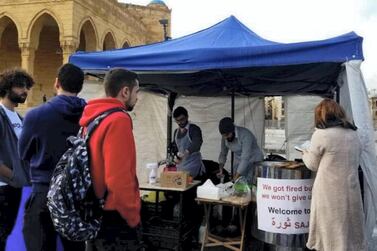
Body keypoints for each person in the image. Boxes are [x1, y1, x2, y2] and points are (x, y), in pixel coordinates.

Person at [18, 63, 86, 251]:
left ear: (57, 83)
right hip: (76, 195)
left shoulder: (36, 115)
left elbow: (23, 153)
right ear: (80, 87)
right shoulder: (89, 116)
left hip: (44, 192)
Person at [80, 68, 141, 250]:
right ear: (125, 91)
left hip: (94, 211)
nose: (137, 98)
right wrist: (133, 217)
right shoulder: (119, 120)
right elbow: (118, 178)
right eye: (137, 92)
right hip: (115, 216)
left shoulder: (93, 118)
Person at [302, 98, 365, 251]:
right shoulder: (354, 133)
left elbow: (312, 164)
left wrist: (305, 152)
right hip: (351, 189)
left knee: (329, 231)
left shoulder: (322, 134)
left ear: (321, 115)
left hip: (329, 191)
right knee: (349, 230)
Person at [0, 68, 34, 251]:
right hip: (4, 187)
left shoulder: (19, 118)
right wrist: (13, 176)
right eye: (20, 86)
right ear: (7, 87)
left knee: (5, 234)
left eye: (27, 86)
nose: (25, 91)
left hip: (14, 188)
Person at [218, 117, 263, 182]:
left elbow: (245, 158)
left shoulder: (245, 135)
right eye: (223, 135)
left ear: (232, 130)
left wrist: (235, 177)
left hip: (254, 161)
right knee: (238, 184)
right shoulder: (225, 137)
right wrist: (221, 168)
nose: (225, 137)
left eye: (227, 135)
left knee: (250, 183)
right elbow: (223, 153)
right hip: (240, 161)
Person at [172, 106, 205, 178]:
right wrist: (176, 156)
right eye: (177, 120)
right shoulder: (176, 132)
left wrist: (186, 152)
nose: (180, 122)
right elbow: (175, 147)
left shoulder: (194, 129)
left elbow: (197, 143)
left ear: (187, 117)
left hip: (193, 165)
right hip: (181, 166)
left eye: (182, 119)